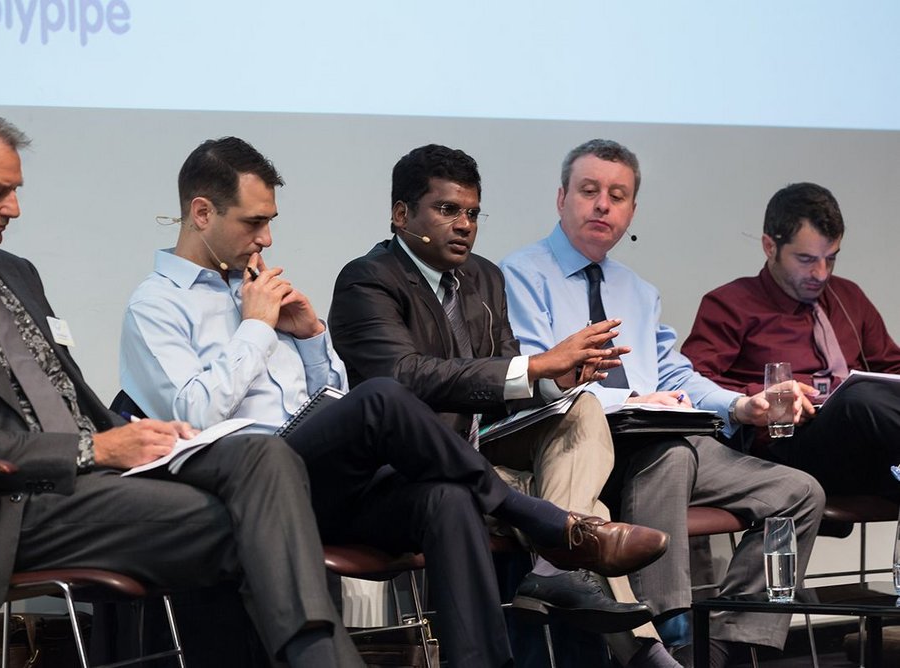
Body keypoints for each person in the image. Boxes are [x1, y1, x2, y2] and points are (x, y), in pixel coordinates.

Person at [118, 135, 664, 667]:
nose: (265, 240)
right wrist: (258, 329)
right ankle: (541, 520)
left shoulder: (259, 288)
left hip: (322, 484)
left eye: (270, 223)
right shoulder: (156, 306)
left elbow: (324, 397)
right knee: (384, 394)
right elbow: (192, 416)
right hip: (249, 486)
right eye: (253, 223)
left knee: (449, 499)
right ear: (202, 213)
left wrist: (309, 338)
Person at [0, 106, 365, 667]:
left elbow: (63, 392)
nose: (15, 207)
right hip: (9, 503)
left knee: (262, 456)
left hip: (96, 475)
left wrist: (125, 435)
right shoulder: (158, 302)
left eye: (15, 189)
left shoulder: (15, 270)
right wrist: (90, 449)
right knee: (260, 528)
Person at [329, 144, 676, 666]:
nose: (464, 225)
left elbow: (508, 384)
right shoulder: (367, 280)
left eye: (471, 212)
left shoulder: (484, 277)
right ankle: (641, 649)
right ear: (402, 215)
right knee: (588, 515)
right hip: (413, 472)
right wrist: (536, 368)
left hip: (483, 453)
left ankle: (559, 571)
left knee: (579, 407)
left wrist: (559, 379)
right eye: (447, 210)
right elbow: (403, 377)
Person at [499, 139, 825, 667]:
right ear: (561, 199)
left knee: (798, 493)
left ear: (631, 211)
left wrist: (744, 406)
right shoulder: (519, 276)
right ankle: (666, 637)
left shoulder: (638, 290)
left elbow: (675, 373)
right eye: (589, 191)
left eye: (618, 195)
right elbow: (539, 380)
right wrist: (630, 398)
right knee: (670, 455)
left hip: (667, 437)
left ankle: (716, 645)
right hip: (586, 445)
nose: (603, 205)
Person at [681, 182, 900, 496]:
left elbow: (892, 371)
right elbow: (694, 389)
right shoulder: (730, 304)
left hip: (864, 448)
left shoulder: (848, 297)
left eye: (831, 259)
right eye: (807, 260)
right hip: (783, 452)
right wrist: (768, 396)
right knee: (858, 398)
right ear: (770, 247)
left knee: (866, 395)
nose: (822, 274)